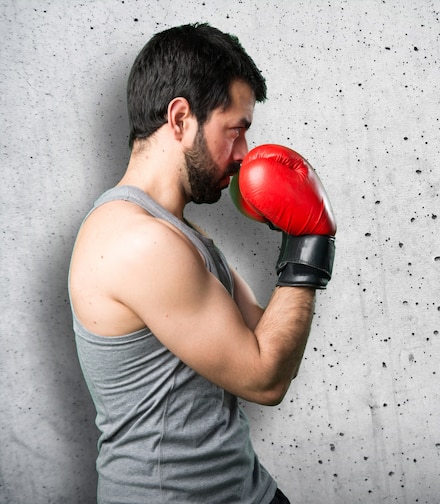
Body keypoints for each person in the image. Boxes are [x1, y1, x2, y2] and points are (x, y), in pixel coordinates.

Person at [68, 23, 336, 504]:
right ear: (180, 119)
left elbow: (265, 342)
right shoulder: (138, 243)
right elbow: (265, 377)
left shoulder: (181, 234)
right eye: (236, 131)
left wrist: (302, 237)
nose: (244, 155)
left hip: (244, 489)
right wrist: (310, 241)